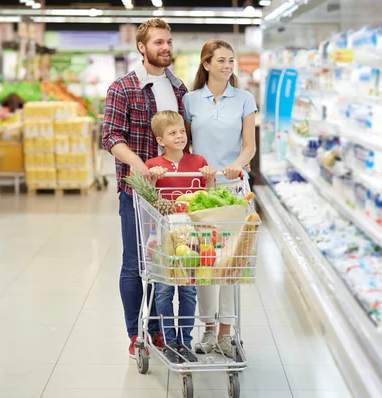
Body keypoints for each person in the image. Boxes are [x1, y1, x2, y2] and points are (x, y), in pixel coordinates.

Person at [102, 18, 189, 359]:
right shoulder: (123, 88)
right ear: (142, 47)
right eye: (158, 42)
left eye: (168, 41)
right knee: (136, 262)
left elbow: (185, 138)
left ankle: (159, 329)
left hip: (175, 192)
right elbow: (110, 136)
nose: (165, 47)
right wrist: (141, 166)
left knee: (168, 261)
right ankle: (136, 332)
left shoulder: (179, 89)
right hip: (137, 192)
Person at [182, 40, 257, 356]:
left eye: (231, 60)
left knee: (230, 265)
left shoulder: (244, 99)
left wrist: (235, 167)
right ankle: (208, 330)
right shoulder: (190, 100)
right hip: (201, 192)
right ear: (207, 64)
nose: (228, 66)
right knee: (204, 264)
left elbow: (249, 146)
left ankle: (226, 332)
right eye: (221, 60)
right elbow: (183, 145)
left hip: (233, 192)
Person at [145, 110, 216, 363]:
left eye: (182, 132)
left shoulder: (198, 162)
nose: (179, 136)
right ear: (160, 140)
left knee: (188, 292)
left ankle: (184, 341)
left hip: (191, 240)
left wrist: (208, 180)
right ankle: (168, 340)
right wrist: (152, 181)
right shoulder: (153, 166)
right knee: (164, 291)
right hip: (163, 238)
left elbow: (206, 199)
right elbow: (148, 201)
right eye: (172, 133)